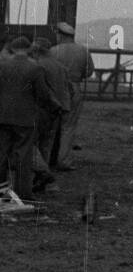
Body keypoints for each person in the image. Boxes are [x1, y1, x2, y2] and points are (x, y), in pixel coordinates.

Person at [0, 37, 63, 201]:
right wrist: (55, 107)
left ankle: (1, 191)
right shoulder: (35, 68)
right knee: (23, 156)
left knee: (2, 155)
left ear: (13, 49)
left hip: (3, 116)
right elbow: (43, 95)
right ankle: (23, 194)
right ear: (28, 49)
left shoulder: (2, 65)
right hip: (25, 118)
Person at [49, 21, 94, 170]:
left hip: (56, 88)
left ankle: (48, 158)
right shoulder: (83, 51)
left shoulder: (53, 51)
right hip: (74, 88)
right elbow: (89, 72)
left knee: (52, 125)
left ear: (60, 35)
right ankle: (63, 161)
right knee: (68, 127)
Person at [30, 38, 70, 192]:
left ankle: (43, 174)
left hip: (43, 109)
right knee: (46, 145)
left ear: (36, 51)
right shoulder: (60, 66)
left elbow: (41, 91)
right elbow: (69, 89)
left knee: (31, 143)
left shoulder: (38, 66)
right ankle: (42, 180)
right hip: (57, 110)